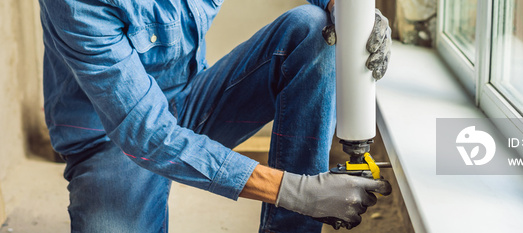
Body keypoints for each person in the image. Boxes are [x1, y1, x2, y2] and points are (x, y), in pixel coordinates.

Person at [39, 0, 392, 232]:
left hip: (191, 103)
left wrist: (348, 13)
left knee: (313, 28)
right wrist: (296, 191)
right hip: (112, 140)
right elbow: (146, 134)